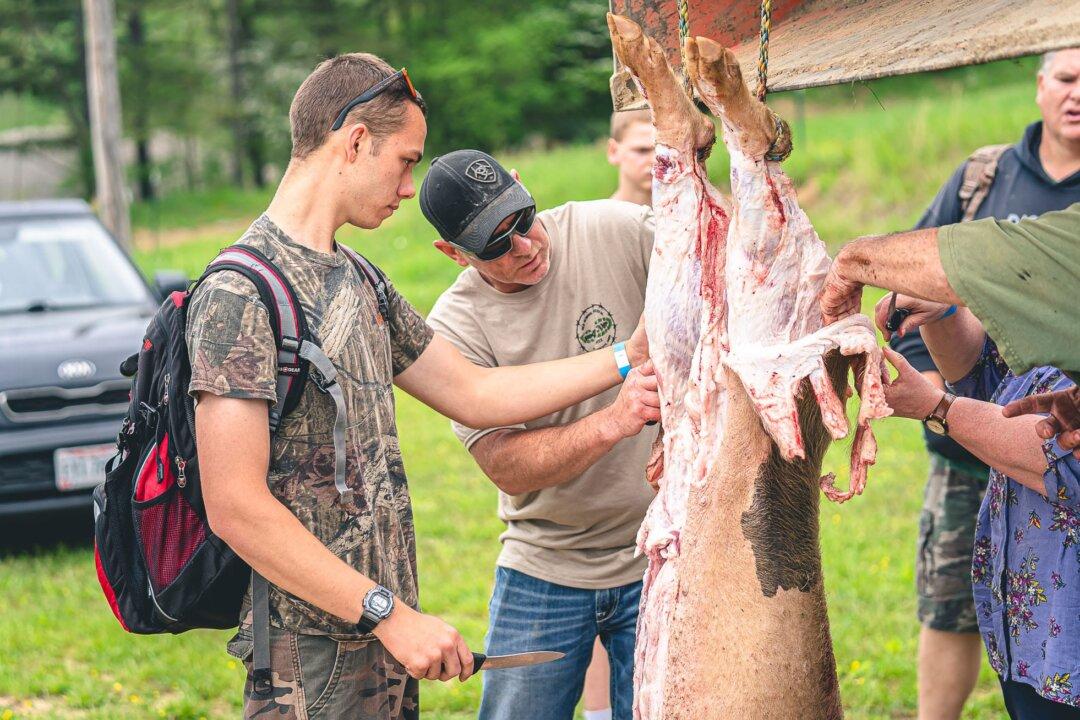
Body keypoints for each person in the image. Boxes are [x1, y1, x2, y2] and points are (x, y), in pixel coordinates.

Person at [187, 53, 648, 720]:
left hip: (383, 642)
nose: (411, 187)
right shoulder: (242, 291)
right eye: (406, 161)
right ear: (354, 142)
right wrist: (386, 614)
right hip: (308, 657)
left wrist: (625, 360)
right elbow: (234, 505)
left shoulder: (361, 278)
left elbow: (476, 393)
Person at [420, 149, 658, 720]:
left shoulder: (615, 228)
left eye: (522, 220)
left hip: (661, 551)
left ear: (523, 187)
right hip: (545, 565)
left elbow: (716, 246)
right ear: (453, 253)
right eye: (495, 245)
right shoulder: (453, 329)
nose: (524, 247)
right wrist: (611, 422)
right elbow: (505, 464)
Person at [886, 48, 1080, 720]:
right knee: (962, 611)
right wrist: (945, 360)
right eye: (1066, 77)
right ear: (1039, 85)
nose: (1076, 94)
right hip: (981, 456)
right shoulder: (983, 178)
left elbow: (1060, 452)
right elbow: (919, 283)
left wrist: (943, 406)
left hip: (1048, 463)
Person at [873, 292, 1080, 719]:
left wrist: (937, 407)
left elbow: (1063, 457)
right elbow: (997, 383)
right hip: (1035, 642)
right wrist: (945, 315)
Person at [584, 108, 657, 720]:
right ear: (613, 152)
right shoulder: (599, 233)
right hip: (610, 449)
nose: (651, 163)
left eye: (664, 152)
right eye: (640, 151)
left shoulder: (675, 229)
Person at [608, 109, 655, 207]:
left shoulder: (692, 220)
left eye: (664, 151)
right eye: (642, 150)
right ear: (613, 151)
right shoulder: (597, 220)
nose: (655, 160)